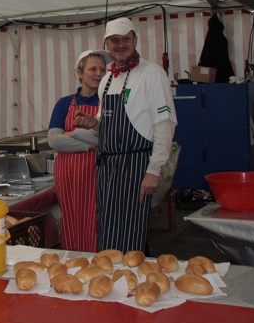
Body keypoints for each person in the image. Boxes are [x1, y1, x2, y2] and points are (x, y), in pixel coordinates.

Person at [73, 18, 177, 253]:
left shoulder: (152, 73)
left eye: (126, 40)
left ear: (135, 41)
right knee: (108, 230)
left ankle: (133, 283)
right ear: (107, 44)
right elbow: (104, 122)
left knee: (132, 233)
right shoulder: (108, 78)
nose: (120, 45)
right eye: (114, 41)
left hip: (136, 165)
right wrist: (93, 122)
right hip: (108, 166)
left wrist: (153, 170)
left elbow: (165, 124)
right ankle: (111, 281)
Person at [47, 49, 110, 252]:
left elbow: (107, 139)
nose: (98, 73)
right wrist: (90, 144)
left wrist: (73, 134)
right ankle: (73, 262)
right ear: (80, 73)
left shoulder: (108, 103)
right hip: (68, 173)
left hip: (98, 172)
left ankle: (97, 262)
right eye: (93, 69)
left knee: (96, 220)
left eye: (102, 69)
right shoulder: (65, 103)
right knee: (71, 219)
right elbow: (54, 140)